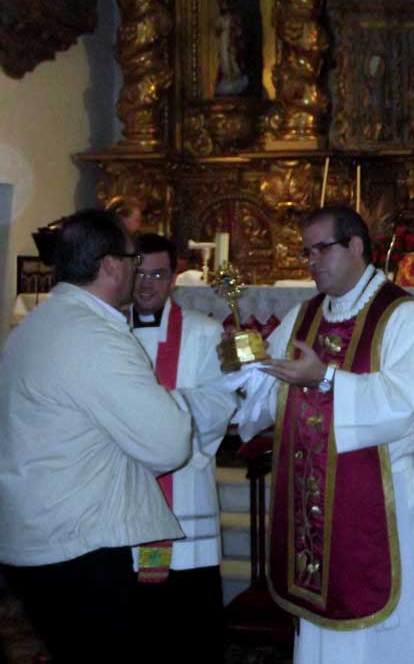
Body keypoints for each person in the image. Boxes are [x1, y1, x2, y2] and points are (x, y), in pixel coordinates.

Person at [234, 206, 414, 664]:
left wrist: (325, 378)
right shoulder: (304, 314)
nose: (312, 262)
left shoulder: (401, 315)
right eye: (306, 253)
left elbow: (407, 404)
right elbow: (269, 387)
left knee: (381, 634)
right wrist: (243, 362)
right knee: (321, 627)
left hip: (382, 494)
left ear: (356, 246)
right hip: (315, 496)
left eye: (321, 249)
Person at [0, 209, 192, 662]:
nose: (137, 270)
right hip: (78, 544)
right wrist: (177, 406)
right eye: (132, 259)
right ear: (110, 265)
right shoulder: (93, 333)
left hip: (42, 531)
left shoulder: (38, 323)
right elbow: (169, 444)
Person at [130, 233, 238, 663]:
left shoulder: (204, 332)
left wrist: (158, 413)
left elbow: (222, 401)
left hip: (185, 494)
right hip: (123, 493)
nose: (147, 284)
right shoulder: (107, 331)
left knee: (189, 627)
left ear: (174, 276)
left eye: (157, 274)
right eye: (139, 273)